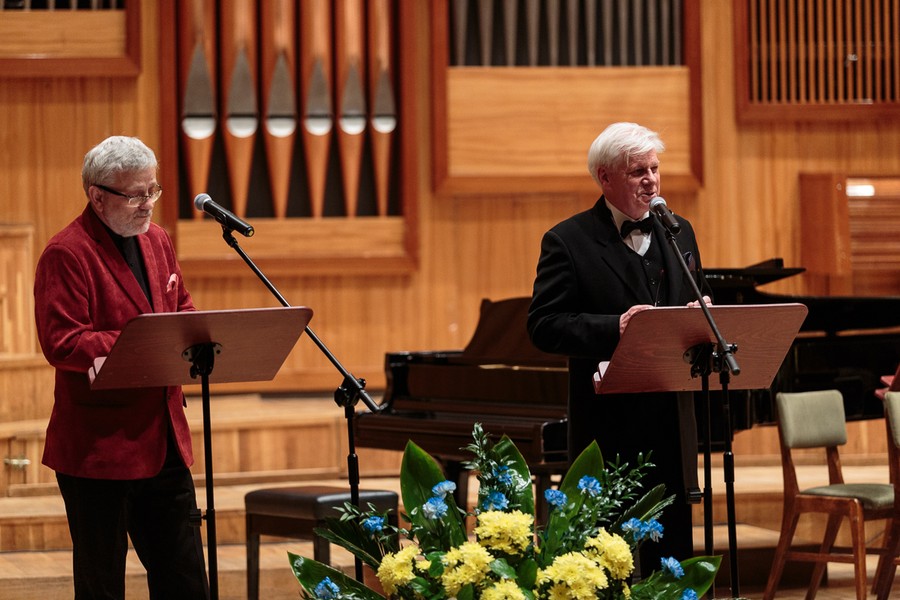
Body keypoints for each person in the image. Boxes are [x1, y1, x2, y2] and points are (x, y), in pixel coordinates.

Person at [527, 122, 712, 574]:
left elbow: (695, 296)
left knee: (671, 548)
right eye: (637, 172)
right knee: (609, 554)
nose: (650, 180)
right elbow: (544, 325)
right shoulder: (567, 241)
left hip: (671, 417)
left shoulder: (679, 231)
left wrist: (700, 314)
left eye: (654, 169)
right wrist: (617, 326)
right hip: (607, 423)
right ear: (605, 177)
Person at [34, 136, 209, 599]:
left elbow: (181, 307)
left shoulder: (158, 239)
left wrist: (197, 332)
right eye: (135, 195)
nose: (147, 203)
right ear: (97, 196)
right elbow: (62, 342)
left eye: (152, 190)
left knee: (186, 582)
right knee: (102, 586)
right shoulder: (67, 252)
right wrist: (143, 341)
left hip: (164, 439)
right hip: (100, 449)